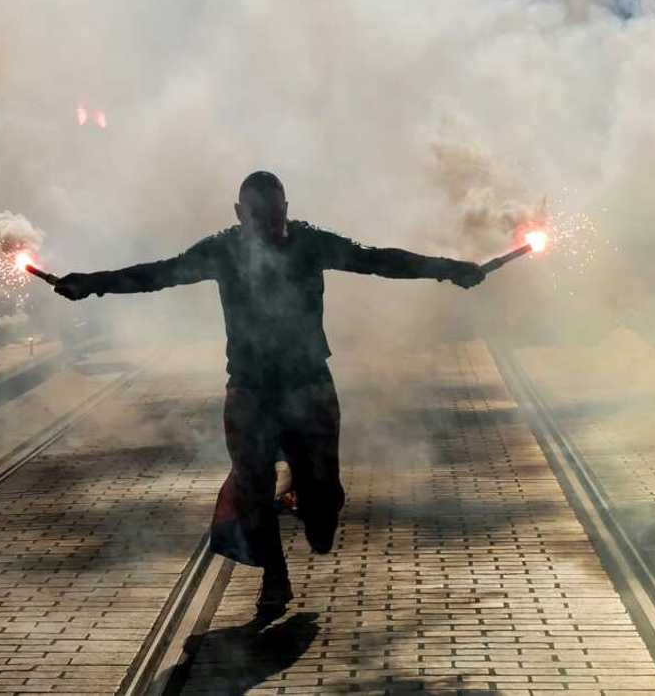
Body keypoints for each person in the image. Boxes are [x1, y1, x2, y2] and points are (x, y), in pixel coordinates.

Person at [54, 171, 486, 619]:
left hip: (309, 385)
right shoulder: (222, 250)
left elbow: (376, 260)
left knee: (321, 515)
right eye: (259, 217)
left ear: (287, 209)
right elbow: (158, 275)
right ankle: (274, 578)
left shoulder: (310, 242)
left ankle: (311, 506)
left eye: (277, 215)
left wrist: (448, 270)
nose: (270, 225)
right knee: (252, 487)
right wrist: (91, 282)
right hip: (250, 388)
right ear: (241, 215)